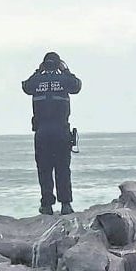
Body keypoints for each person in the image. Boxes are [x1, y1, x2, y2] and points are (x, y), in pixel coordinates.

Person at [22, 52, 81, 215]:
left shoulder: (36, 82)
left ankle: (47, 205)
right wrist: (66, 70)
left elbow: (26, 87)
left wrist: (37, 71)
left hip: (42, 132)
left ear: (44, 65)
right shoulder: (64, 80)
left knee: (44, 169)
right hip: (61, 131)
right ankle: (66, 204)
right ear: (58, 65)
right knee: (63, 168)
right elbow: (77, 86)